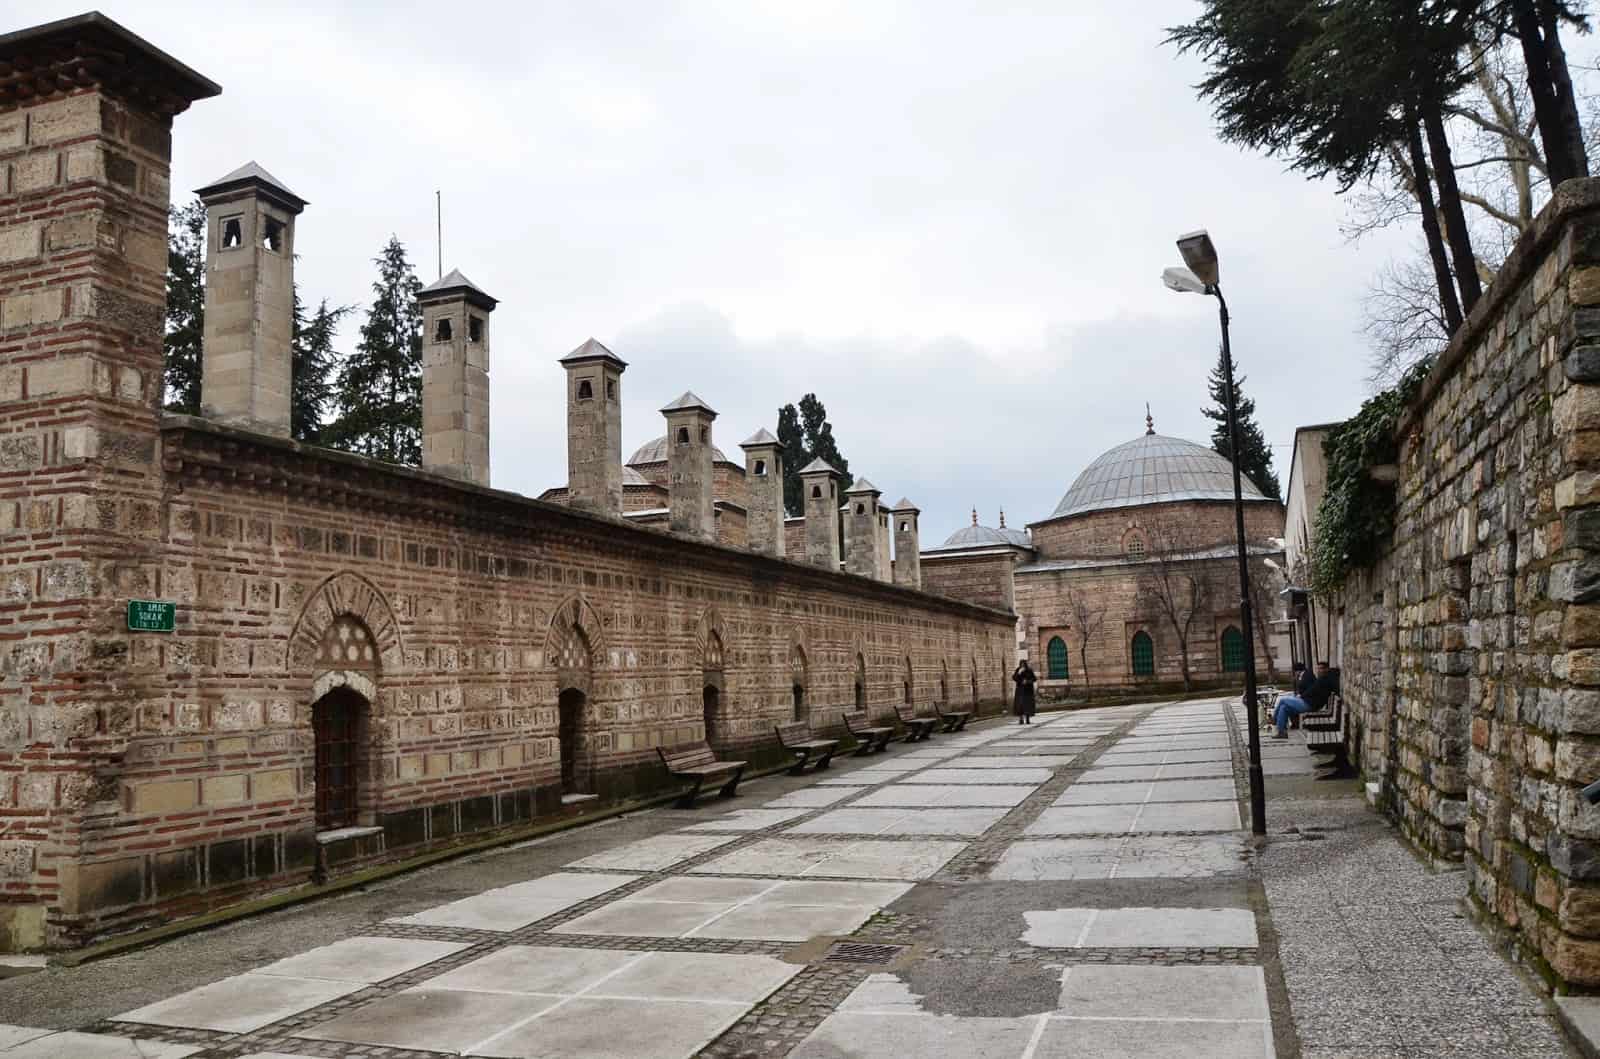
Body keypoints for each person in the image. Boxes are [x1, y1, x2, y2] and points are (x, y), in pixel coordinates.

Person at [1272, 661, 1333, 738]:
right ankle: (1281, 732)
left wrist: (1301, 696)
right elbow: (1312, 690)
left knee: (1282, 700)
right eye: (1318, 669)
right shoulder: (1321, 679)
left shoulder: (1324, 680)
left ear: (1327, 669)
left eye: (1321, 669)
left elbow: (1311, 690)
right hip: (1309, 702)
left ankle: (1274, 719)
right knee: (1284, 708)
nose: (1318, 671)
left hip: (1310, 704)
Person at [1012, 660, 1037, 724]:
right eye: (1021, 664)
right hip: (1020, 691)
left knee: (1028, 705)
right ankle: (1021, 719)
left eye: (1023, 664)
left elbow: (1034, 678)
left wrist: (1028, 681)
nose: (1022, 666)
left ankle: (1027, 719)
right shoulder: (1018, 670)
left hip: (1028, 691)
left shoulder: (1029, 670)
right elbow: (1014, 678)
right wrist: (1019, 673)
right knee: (1020, 705)